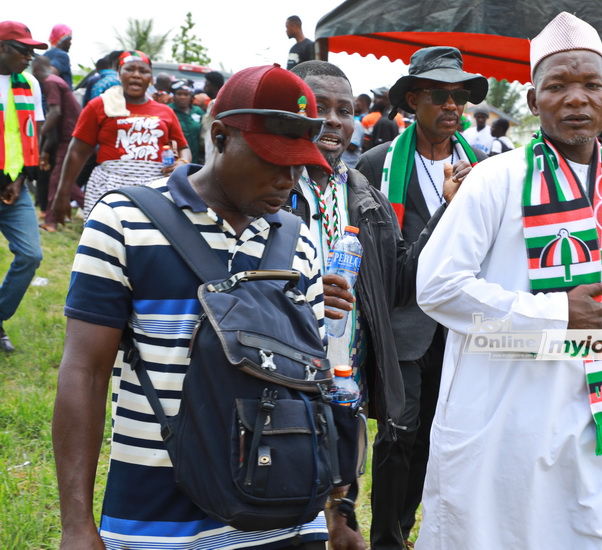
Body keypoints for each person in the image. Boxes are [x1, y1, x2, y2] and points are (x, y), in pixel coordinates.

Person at [414, 13, 602, 548]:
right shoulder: (496, 180)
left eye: (589, 85)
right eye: (557, 86)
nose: (576, 99)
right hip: (506, 414)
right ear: (534, 102)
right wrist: (556, 312)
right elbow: (437, 286)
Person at [52, 64, 334, 549]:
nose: (289, 179)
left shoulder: (299, 240)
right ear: (220, 137)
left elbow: (312, 382)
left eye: (299, 164)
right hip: (159, 520)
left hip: (284, 513)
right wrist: (76, 524)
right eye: (273, 160)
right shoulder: (123, 221)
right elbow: (85, 371)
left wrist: (337, 507)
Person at [288, 59, 468, 550]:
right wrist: (302, 288)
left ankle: (355, 518)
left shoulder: (358, 190)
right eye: (318, 108)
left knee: (390, 439)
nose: (333, 121)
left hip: (356, 355)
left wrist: (449, 211)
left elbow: (397, 273)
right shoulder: (270, 184)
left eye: (344, 111)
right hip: (288, 359)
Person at [356, 46, 488, 550]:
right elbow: (382, 256)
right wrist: (445, 211)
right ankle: (386, 539)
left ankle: (414, 531)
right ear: (413, 100)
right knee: (398, 435)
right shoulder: (377, 163)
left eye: (460, 97)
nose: (452, 106)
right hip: (402, 323)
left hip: (461, 326)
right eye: (440, 95)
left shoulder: (483, 169)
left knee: (441, 436)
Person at [51, 50, 189, 224]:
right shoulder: (99, 106)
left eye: (143, 71)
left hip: (154, 189)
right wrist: (62, 194)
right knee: (106, 242)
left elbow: (183, 148)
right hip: (109, 186)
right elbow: (77, 152)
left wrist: (182, 163)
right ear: (119, 74)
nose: (136, 75)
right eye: (130, 69)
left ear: (151, 78)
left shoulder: (165, 112)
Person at [0, 21, 46, 353]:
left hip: (14, 187)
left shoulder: (29, 84)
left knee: (31, 254)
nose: (30, 57)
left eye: (32, 51)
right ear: (2, 47)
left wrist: (19, 181)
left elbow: (30, 136)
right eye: (24, 50)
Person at [30, 56, 83, 233]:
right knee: (64, 179)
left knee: (57, 178)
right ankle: (94, 212)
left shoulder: (50, 82)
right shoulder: (57, 80)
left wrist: (39, 134)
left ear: (35, 71)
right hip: (71, 135)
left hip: (70, 136)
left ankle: (51, 222)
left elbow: (55, 112)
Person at [170, 79, 204, 164]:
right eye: (179, 94)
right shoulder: (168, 110)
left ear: (191, 97)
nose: (182, 97)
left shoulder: (197, 111)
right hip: (176, 160)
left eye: (186, 94)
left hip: (197, 159)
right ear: (174, 96)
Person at [43, 24, 72, 89]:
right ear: (63, 39)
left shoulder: (46, 54)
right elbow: (48, 75)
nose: (70, 43)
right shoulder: (62, 55)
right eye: (69, 40)